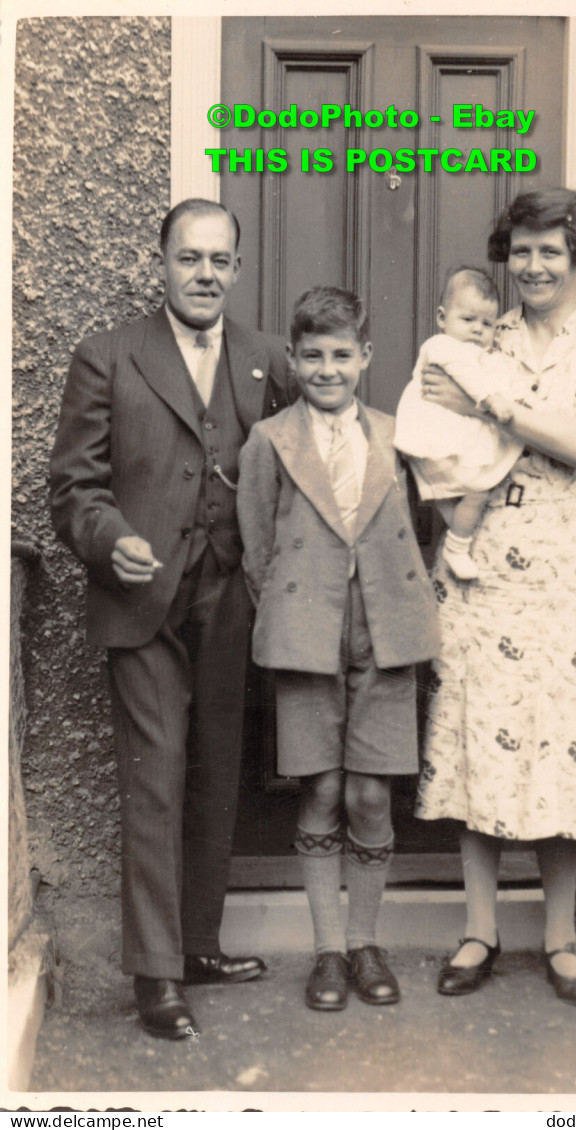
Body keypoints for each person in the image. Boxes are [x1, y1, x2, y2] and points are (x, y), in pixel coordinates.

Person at [50, 199, 291, 1039]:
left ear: (237, 269)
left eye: (219, 261)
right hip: (142, 602)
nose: (204, 275)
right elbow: (72, 489)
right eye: (189, 258)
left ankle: (198, 944)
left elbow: (304, 464)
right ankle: (156, 976)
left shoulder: (266, 359)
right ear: (160, 262)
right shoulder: (108, 356)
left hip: (231, 600)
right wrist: (109, 540)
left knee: (216, 772)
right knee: (155, 780)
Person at [415, 188, 576, 1008]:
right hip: (487, 560)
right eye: (521, 250)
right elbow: (436, 426)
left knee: (564, 736)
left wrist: (492, 403)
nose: (535, 265)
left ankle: (559, 938)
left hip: (575, 566)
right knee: (481, 732)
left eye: (552, 249)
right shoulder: (486, 335)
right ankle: (479, 930)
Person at [237, 286, 439, 1011]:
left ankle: (364, 941)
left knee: (369, 792)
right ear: (292, 360)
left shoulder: (395, 435)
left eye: (342, 355)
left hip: (386, 633)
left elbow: (426, 526)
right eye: (313, 356)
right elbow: (257, 549)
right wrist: (298, 612)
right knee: (321, 788)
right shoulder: (270, 442)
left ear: (366, 357)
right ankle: (326, 951)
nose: (328, 369)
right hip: (306, 634)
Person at [394, 267, 523, 579]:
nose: (478, 330)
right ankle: (458, 546)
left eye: (487, 323)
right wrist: (491, 398)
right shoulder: (442, 346)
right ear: (442, 318)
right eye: (468, 320)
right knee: (478, 486)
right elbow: (466, 375)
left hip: (451, 441)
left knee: (467, 493)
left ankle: (459, 539)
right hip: (435, 439)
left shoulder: (483, 355)